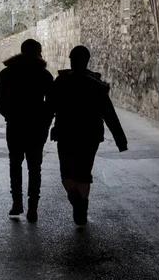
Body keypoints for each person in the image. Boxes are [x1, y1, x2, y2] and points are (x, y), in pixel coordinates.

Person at [51, 45, 128, 226]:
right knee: (84, 172)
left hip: (65, 133)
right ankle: (82, 207)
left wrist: (39, 130)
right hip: (90, 135)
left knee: (67, 172)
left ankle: (75, 199)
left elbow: (50, 108)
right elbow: (109, 114)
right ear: (87, 61)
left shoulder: (61, 82)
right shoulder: (96, 84)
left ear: (71, 60)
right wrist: (120, 140)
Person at [0, 39, 54, 223]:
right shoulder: (43, 75)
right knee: (35, 167)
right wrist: (45, 121)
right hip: (36, 126)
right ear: (37, 53)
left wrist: (9, 114)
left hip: (15, 124)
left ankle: (17, 202)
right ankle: (33, 207)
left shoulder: (7, 73)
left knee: (15, 163)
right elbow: (51, 102)